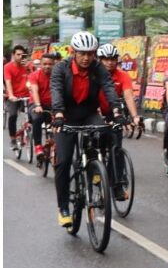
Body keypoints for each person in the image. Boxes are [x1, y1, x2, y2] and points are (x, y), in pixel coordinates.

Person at [50, 32, 122, 227]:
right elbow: (56, 90)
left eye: (90, 53)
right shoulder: (60, 68)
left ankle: (94, 167)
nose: (86, 58)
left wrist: (117, 110)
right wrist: (57, 114)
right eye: (82, 53)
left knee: (106, 130)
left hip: (88, 112)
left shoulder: (97, 68)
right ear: (73, 52)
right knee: (63, 162)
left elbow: (108, 87)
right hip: (65, 115)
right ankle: (63, 208)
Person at [96, 43, 143, 201]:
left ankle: (117, 186)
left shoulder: (122, 75)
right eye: (106, 59)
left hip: (114, 113)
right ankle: (95, 170)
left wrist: (135, 116)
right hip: (95, 112)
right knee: (96, 142)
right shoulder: (94, 74)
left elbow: (128, 96)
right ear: (100, 60)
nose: (110, 62)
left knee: (116, 148)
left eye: (113, 59)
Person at [28, 53, 56, 159]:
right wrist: (38, 105)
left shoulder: (57, 76)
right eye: (44, 64)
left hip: (52, 106)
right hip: (36, 104)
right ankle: (38, 146)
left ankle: (53, 142)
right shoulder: (34, 75)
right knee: (37, 118)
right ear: (40, 64)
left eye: (50, 64)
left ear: (54, 65)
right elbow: (34, 91)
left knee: (59, 122)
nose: (47, 66)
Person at [4, 45, 32, 150]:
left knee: (34, 113)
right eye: (18, 54)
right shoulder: (7, 67)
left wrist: (28, 69)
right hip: (13, 97)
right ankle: (13, 139)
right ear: (13, 55)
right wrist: (11, 95)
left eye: (22, 55)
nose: (20, 57)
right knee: (13, 115)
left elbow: (33, 80)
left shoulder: (28, 66)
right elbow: (8, 82)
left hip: (27, 96)